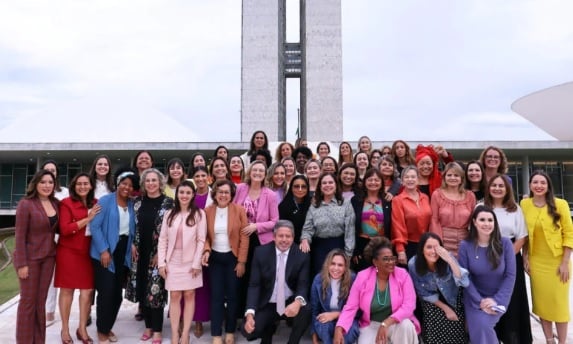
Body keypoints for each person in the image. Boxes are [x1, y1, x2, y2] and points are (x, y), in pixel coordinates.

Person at [334, 237, 420, 344]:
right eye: (385, 259)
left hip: (396, 323)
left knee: (407, 325)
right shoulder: (362, 277)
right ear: (375, 262)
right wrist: (339, 328)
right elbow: (351, 307)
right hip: (371, 325)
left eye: (392, 258)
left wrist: (386, 323)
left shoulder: (402, 275)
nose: (391, 262)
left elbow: (409, 306)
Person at [521, 171, 573, 344]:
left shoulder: (561, 204)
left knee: (559, 305)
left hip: (558, 261)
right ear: (530, 185)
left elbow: (569, 234)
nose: (539, 185)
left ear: (548, 185)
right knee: (542, 304)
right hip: (537, 262)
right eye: (535, 182)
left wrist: (565, 262)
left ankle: (563, 342)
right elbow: (524, 234)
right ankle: (549, 340)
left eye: (542, 182)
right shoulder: (524, 204)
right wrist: (525, 256)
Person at [242, 220, 312, 344]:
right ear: (274, 237)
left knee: (305, 310)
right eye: (280, 236)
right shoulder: (260, 253)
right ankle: (268, 332)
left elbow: (303, 283)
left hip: (289, 301)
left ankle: (293, 342)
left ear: (293, 237)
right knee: (249, 331)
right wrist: (250, 314)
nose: (284, 240)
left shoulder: (301, 255)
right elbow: (254, 285)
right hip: (268, 302)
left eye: (288, 236)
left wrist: (297, 302)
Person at [90, 168, 139, 344]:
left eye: (130, 185)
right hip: (105, 251)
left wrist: (133, 243)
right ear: (118, 184)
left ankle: (107, 326)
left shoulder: (132, 204)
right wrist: (103, 250)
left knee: (117, 295)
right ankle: (101, 330)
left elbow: (132, 228)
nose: (127, 187)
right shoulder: (105, 201)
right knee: (106, 292)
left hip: (123, 251)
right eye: (124, 183)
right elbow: (95, 227)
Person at [126, 168, 174, 343]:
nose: (151, 183)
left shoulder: (169, 203)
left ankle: (158, 330)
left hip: (158, 254)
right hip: (140, 253)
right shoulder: (137, 202)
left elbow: (171, 231)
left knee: (156, 292)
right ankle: (148, 326)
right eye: (148, 181)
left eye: (154, 180)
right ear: (144, 184)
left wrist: (162, 255)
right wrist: (132, 243)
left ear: (160, 183)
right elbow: (132, 225)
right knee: (143, 289)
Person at [483, 174, 532, 344]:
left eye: (501, 186)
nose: (497, 188)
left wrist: (506, 258)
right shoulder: (481, 206)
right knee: (490, 299)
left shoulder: (515, 209)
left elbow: (522, 236)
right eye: (494, 185)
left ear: (507, 189)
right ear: (489, 188)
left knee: (512, 301)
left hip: (511, 257)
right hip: (485, 258)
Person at [458, 205, 516, 344]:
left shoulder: (505, 243)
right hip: (473, 298)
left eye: (490, 220)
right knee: (479, 327)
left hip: (498, 299)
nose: (487, 224)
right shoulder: (465, 246)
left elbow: (510, 275)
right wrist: (480, 301)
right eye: (482, 219)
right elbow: (465, 278)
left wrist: (496, 300)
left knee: (483, 325)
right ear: (474, 222)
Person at [158, 180, 207, 344]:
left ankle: (185, 333)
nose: (184, 195)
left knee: (189, 294)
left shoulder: (199, 214)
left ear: (193, 194)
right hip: (172, 260)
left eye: (188, 192)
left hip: (191, 261)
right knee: (175, 295)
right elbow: (162, 239)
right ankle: (174, 333)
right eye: (181, 192)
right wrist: (161, 263)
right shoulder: (169, 214)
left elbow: (201, 240)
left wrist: (196, 263)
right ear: (177, 194)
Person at [14, 169, 59, 344]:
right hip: (30, 259)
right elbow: (19, 236)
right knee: (28, 302)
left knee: (40, 302)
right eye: (43, 182)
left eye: (50, 182)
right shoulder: (26, 204)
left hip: (49, 258)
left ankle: (39, 340)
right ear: (36, 184)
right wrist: (21, 264)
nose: (47, 186)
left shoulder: (55, 203)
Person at [201, 180, 249, 344]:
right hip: (215, 258)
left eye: (226, 192)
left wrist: (241, 261)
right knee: (217, 297)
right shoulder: (207, 211)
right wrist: (206, 250)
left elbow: (244, 237)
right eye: (220, 192)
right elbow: (204, 236)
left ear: (231, 195)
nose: (223, 195)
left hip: (233, 258)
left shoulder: (239, 210)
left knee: (234, 296)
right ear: (214, 193)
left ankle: (229, 331)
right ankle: (216, 334)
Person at [56, 173, 101, 344]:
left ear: (91, 186)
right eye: (79, 184)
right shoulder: (66, 203)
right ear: (74, 186)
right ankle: (65, 329)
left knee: (87, 291)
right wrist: (87, 219)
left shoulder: (96, 203)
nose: (82, 187)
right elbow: (65, 229)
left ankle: (82, 328)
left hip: (88, 253)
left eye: (86, 184)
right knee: (67, 290)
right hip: (68, 251)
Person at [233, 160, 279, 317]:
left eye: (261, 170)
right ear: (249, 172)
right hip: (240, 240)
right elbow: (232, 210)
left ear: (265, 174)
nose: (258, 173)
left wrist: (256, 226)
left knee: (258, 278)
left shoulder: (270, 195)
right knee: (241, 277)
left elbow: (275, 221)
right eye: (255, 170)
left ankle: (258, 314)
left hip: (261, 242)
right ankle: (241, 314)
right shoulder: (240, 189)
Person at [408, 232, 469, 344]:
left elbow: (464, 282)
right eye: (429, 247)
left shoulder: (447, 258)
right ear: (422, 249)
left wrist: (450, 260)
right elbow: (423, 293)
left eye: (436, 247)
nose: (433, 251)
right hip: (431, 299)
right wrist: (446, 309)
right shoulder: (413, 264)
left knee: (457, 326)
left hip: (453, 296)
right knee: (433, 317)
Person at [300, 172, 355, 275]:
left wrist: (348, 254)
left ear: (336, 185)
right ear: (320, 186)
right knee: (320, 279)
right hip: (319, 248)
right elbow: (307, 228)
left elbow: (350, 231)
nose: (327, 185)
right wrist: (305, 239)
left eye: (330, 182)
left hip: (339, 246)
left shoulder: (345, 204)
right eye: (324, 183)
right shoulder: (314, 205)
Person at [40, 160, 69, 325]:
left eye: (53, 170)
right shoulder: (38, 194)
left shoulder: (64, 192)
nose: (51, 172)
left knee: (56, 278)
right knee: (45, 277)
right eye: (47, 170)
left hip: (62, 239)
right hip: (43, 240)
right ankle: (44, 310)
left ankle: (50, 311)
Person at [310, 249, 359, 344]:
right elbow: (314, 310)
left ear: (345, 267)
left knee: (348, 333)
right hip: (326, 318)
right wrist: (314, 339)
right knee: (323, 328)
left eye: (340, 265)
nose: (336, 268)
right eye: (332, 264)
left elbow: (359, 311)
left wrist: (336, 314)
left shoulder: (353, 279)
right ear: (327, 265)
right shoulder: (318, 279)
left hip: (348, 319)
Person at [430, 162, 476, 257]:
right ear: (444, 177)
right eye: (449, 175)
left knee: (463, 271)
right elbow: (434, 220)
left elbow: (473, 221)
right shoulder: (437, 195)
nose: (452, 178)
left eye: (456, 175)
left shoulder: (470, 196)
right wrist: (438, 243)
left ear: (461, 179)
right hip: (443, 240)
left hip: (465, 241)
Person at [351, 168, 391, 271]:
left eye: (377, 180)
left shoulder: (388, 201)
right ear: (364, 182)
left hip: (382, 244)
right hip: (362, 245)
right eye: (370, 179)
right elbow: (351, 225)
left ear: (382, 183)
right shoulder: (356, 200)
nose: (373, 182)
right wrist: (355, 250)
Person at [392, 166, 432, 264]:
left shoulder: (425, 197)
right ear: (402, 181)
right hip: (409, 246)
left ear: (418, 180)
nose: (410, 179)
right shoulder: (398, 200)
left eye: (413, 177)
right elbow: (397, 226)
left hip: (427, 243)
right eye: (407, 177)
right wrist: (400, 250)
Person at [279, 175, 312, 243]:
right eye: (296, 186)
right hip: (289, 243)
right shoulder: (283, 206)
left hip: (310, 242)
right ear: (291, 188)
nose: (300, 189)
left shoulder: (312, 204)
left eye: (303, 187)